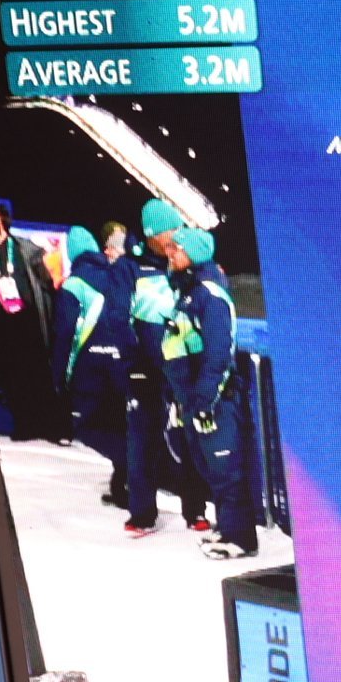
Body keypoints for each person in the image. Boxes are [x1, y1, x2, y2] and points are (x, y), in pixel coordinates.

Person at [161, 227, 256, 560]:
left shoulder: (210, 295)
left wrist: (204, 401)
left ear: (195, 253)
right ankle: (227, 527)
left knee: (226, 468)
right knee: (209, 468)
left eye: (177, 248)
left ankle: (240, 538)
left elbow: (218, 354)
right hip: (193, 400)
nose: (170, 252)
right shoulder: (188, 291)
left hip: (215, 401)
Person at [122, 199, 208, 536]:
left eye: (177, 231)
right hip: (145, 369)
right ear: (151, 235)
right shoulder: (130, 268)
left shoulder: (186, 263)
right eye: (168, 233)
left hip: (183, 368)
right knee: (142, 439)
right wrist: (132, 363)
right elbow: (119, 318)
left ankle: (196, 510)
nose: (174, 239)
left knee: (190, 438)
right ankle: (142, 514)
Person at [50, 226, 136, 506]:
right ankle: (124, 485)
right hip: (121, 362)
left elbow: (65, 332)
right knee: (118, 424)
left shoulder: (74, 284)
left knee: (89, 427)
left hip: (91, 366)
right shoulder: (114, 274)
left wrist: (59, 374)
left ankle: (132, 469)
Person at [0, 203, 65, 441]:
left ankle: (52, 427)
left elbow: (44, 283)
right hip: (0, 324)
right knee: (12, 378)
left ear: (1, 217)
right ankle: (25, 425)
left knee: (39, 375)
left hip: (29, 321)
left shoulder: (26, 248)